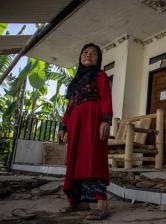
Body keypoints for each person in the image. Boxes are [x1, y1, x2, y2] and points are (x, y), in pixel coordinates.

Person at [58, 43, 112, 220]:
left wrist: (105, 120)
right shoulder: (75, 82)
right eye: (85, 53)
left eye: (93, 53)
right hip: (76, 124)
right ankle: (79, 201)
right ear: (80, 57)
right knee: (76, 160)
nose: (88, 55)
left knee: (93, 158)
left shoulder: (100, 75)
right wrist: (63, 126)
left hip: (93, 120)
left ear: (98, 59)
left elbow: (106, 97)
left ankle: (102, 204)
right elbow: (70, 105)